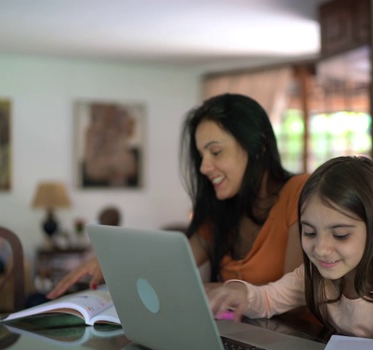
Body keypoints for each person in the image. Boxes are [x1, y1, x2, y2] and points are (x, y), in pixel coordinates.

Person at [47, 93, 307, 299]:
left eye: (215, 152)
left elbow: (295, 297)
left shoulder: (300, 192)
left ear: (259, 146)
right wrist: (112, 262)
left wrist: (222, 291)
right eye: (201, 156)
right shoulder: (222, 214)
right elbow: (170, 262)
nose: (204, 167)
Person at [207, 156, 373, 343]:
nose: (321, 249)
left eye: (340, 235)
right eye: (309, 232)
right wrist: (240, 292)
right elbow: (267, 299)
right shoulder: (316, 280)